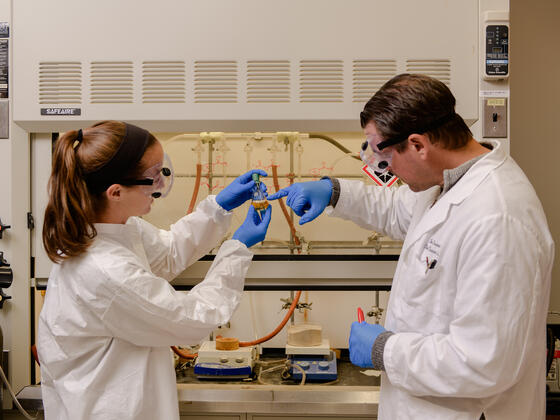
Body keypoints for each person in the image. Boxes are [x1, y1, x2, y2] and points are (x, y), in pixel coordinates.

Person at [267, 74, 554, 419]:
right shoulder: (445, 181)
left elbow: (483, 361)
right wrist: (335, 191)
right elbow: (396, 209)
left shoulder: (497, 218)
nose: (385, 169)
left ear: (418, 145)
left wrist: (383, 349)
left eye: (384, 157)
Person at [38, 121, 272, 420]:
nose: (162, 184)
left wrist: (219, 207)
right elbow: (196, 318)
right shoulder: (105, 271)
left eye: (163, 170)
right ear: (116, 192)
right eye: (152, 176)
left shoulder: (115, 228)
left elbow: (168, 253)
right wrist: (238, 247)